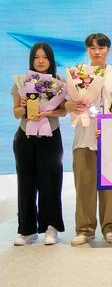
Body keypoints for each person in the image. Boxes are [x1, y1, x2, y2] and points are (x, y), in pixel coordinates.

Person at [66, 33, 112, 245]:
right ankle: (85, 229)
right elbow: (67, 103)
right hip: (84, 137)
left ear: (108, 50)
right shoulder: (77, 75)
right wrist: (71, 105)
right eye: (92, 48)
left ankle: (110, 227)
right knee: (84, 185)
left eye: (101, 48)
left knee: (111, 186)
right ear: (87, 50)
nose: (97, 52)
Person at [11, 43, 66, 245]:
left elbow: (63, 111)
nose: (40, 61)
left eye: (44, 57)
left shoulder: (59, 82)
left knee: (51, 182)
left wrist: (48, 112)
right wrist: (24, 106)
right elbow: (16, 112)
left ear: (51, 60)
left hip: (50, 136)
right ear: (31, 60)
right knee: (25, 183)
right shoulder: (22, 81)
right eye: (36, 57)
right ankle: (27, 230)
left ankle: (51, 227)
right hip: (25, 137)